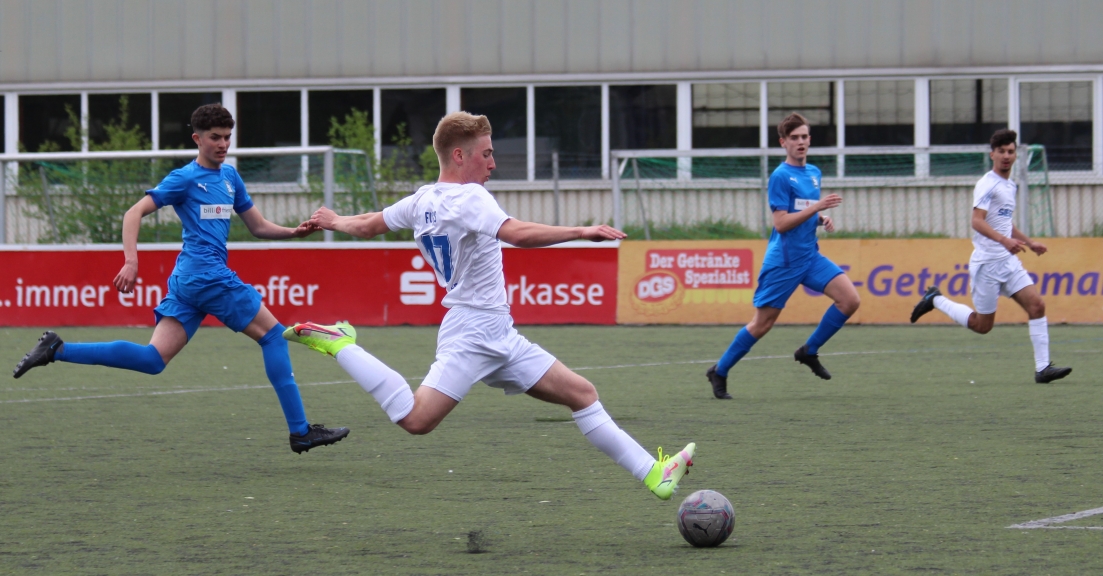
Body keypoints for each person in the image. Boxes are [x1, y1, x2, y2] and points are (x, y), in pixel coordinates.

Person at [284, 111, 695, 500]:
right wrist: (581, 230)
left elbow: (369, 223)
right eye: (487, 153)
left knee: (582, 393)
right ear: (459, 155)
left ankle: (654, 474)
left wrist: (336, 221)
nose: (493, 164)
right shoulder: (471, 198)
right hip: (474, 332)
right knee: (416, 419)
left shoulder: (422, 200)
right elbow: (516, 233)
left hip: (497, 333)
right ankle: (340, 343)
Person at [12, 103, 350, 453]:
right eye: (215, 137)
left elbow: (258, 226)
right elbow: (134, 213)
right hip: (207, 278)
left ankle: (58, 349)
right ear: (197, 139)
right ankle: (300, 431)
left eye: (227, 137)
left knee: (152, 360)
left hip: (189, 281)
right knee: (274, 337)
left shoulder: (231, 177)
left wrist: (294, 233)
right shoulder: (185, 178)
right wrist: (131, 261)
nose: (222, 144)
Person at [706, 113, 860, 399]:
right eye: (794, 138)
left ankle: (808, 351)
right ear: (783, 142)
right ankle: (720, 370)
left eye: (804, 137)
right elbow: (781, 223)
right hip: (785, 261)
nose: (801, 142)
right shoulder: (779, 176)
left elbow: (799, 211)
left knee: (850, 300)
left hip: (810, 257)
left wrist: (819, 218)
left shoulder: (813, 172)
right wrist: (816, 209)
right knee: (762, 323)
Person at [910, 129, 1071, 384]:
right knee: (982, 326)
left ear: (1015, 154)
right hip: (986, 264)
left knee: (1037, 305)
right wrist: (1004, 241)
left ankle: (1043, 369)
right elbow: (977, 221)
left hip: (1007, 261)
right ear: (992, 154)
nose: (1006, 156)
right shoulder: (987, 183)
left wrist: (1029, 242)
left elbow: (1006, 222)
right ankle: (936, 299)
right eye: (1002, 152)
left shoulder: (1010, 185)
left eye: (1011, 151)